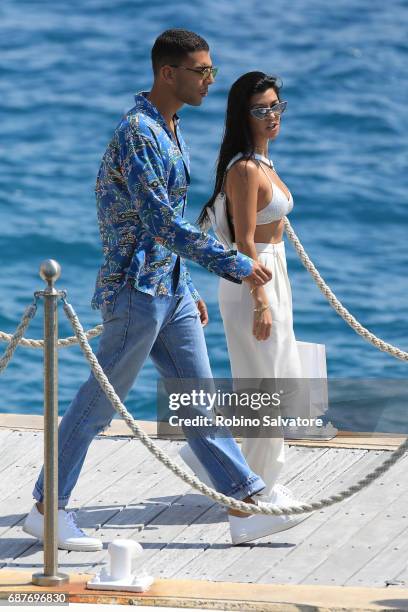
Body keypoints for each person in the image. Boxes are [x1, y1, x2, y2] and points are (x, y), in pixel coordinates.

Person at [23, 31, 308, 550]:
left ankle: (243, 505)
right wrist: (234, 264)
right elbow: (159, 222)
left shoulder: (172, 129)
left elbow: (172, 224)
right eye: (201, 72)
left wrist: (188, 282)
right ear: (166, 74)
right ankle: (47, 508)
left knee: (198, 400)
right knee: (98, 403)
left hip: (168, 287)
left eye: (211, 72)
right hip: (135, 289)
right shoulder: (138, 133)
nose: (209, 81)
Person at [187, 72, 307, 504]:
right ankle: (256, 487)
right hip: (254, 278)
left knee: (278, 378)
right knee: (265, 386)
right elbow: (243, 241)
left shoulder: (262, 161)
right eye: (261, 109)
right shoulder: (243, 169)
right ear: (244, 115)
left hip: (273, 273)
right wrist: (260, 301)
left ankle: (225, 463)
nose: (272, 115)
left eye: (277, 106)